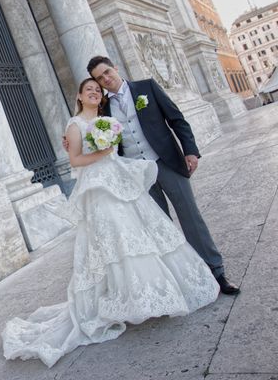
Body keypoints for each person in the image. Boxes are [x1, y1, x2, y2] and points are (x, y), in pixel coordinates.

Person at [2, 78, 220, 368]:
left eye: (97, 90)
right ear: (79, 95)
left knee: (138, 233)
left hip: (118, 178)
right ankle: (126, 299)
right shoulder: (75, 124)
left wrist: (108, 151)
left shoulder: (107, 119)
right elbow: (76, 160)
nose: (94, 92)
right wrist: (100, 152)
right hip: (98, 188)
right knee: (116, 237)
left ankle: (149, 294)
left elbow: (123, 143)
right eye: (88, 89)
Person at [85, 56, 239, 295]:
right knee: (160, 227)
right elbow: (100, 137)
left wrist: (190, 151)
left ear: (116, 67)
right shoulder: (103, 108)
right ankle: (182, 278)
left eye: (107, 72)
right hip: (137, 174)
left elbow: (177, 119)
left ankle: (216, 272)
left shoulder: (146, 87)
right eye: (99, 78)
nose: (105, 79)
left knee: (191, 217)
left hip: (165, 162)